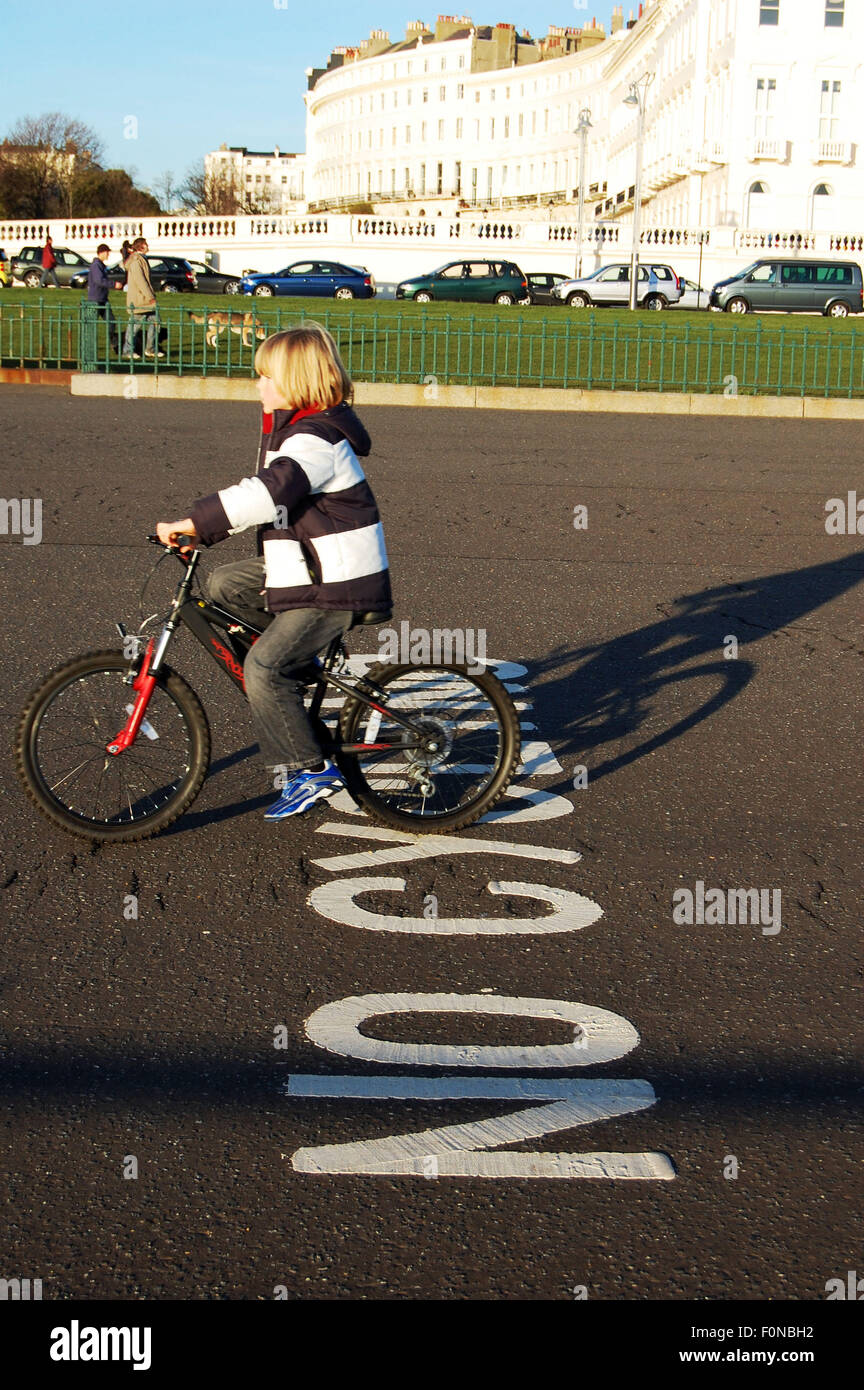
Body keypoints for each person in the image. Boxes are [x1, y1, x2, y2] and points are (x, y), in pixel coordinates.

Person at [155, 324, 392, 821]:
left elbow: (268, 492)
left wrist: (194, 521)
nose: (258, 385)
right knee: (223, 584)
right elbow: (265, 496)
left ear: (297, 382)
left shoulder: (315, 439)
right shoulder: (292, 430)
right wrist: (206, 533)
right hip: (309, 565)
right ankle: (297, 669)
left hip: (337, 583)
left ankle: (310, 769)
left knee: (262, 668)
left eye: (267, 376)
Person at [122, 237, 162, 358]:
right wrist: (150, 296)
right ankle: (128, 351)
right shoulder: (136, 261)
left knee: (156, 321)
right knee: (134, 326)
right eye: (146, 244)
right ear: (142, 246)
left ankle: (150, 349)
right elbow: (141, 281)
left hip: (144, 299)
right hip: (140, 300)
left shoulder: (140, 259)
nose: (148, 246)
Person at [87, 243, 118, 356]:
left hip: (102, 298)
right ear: (101, 253)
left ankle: (113, 343)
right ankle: (89, 346)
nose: (108, 254)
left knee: (111, 321)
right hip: (96, 299)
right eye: (107, 252)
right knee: (92, 325)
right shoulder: (96, 265)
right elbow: (99, 280)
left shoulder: (100, 265)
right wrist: (114, 284)